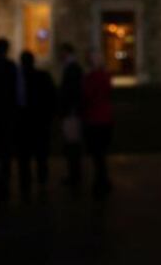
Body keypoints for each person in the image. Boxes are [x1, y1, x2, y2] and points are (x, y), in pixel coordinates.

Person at [16, 50, 56, 199]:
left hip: (25, 124)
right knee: (41, 155)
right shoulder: (42, 76)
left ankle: (26, 184)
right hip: (39, 123)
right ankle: (41, 181)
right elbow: (52, 98)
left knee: (24, 157)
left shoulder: (19, 79)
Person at [0, 37, 18, 201]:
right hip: (6, 114)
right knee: (5, 149)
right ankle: (3, 179)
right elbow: (17, 92)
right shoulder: (11, 67)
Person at [82, 49, 114, 197]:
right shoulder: (104, 76)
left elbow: (88, 95)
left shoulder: (95, 77)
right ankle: (103, 180)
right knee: (100, 153)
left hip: (96, 118)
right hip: (103, 118)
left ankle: (100, 182)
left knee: (98, 153)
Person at [58, 42, 84, 191]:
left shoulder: (72, 68)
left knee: (72, 144)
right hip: (71, 112)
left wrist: (71, 110)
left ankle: (74, 175)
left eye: (62, 52)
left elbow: (72, 91)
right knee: (71, 144)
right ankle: (74, 173)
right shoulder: (71, 68)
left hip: (71, 113)